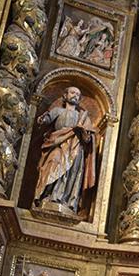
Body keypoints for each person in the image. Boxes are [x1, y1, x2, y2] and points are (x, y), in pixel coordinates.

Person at [34, 86, 97, 214]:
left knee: (72, 173)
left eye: (78, 94)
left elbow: (88, 140)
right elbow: (46, 120)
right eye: (72, 92)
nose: (75, 95)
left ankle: (66, 201)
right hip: (57, 143)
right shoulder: (58, 111)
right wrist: (42, 119)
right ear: (65, 95)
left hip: (75, 147)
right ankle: (47, 196)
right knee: (53, 163)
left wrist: (83, 131)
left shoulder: (83, 116)